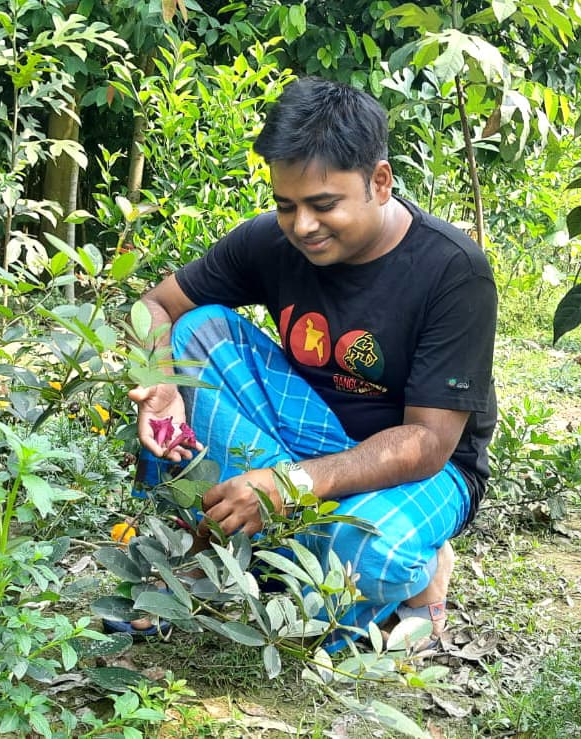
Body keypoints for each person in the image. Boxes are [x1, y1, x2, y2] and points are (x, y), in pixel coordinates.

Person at [126, 76, 497, 652]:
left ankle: (419, 572)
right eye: (286, 206)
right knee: (197, 329)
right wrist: (159, 383)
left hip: (421, 464)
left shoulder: (453, 271)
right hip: (306, 432)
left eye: (324, 205)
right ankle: (217, 548)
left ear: (380, 181)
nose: (303, 226)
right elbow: (154, 306)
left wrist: (290, 485)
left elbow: (428, 442)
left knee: (378, 553)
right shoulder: (272, 243)